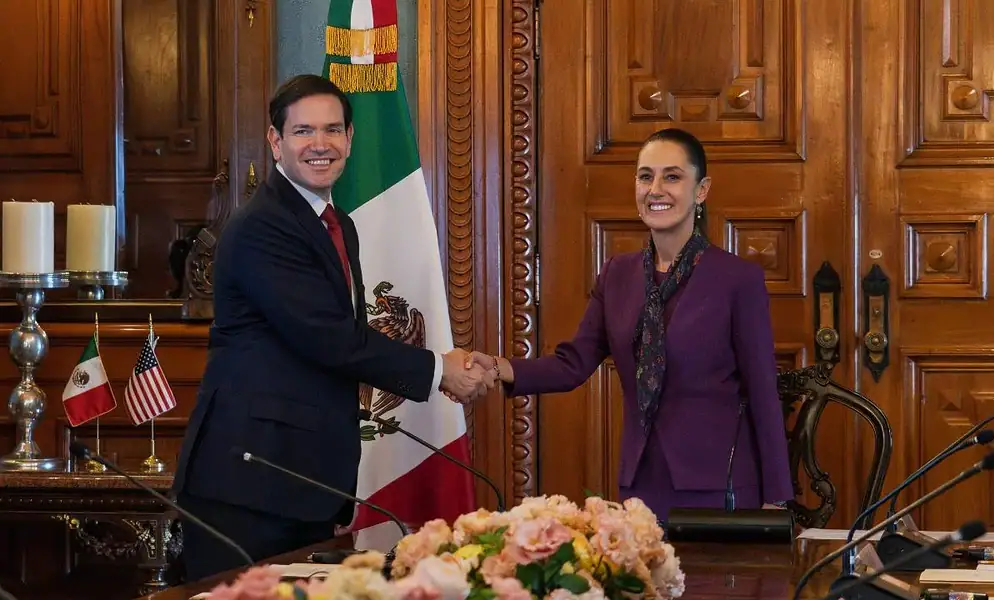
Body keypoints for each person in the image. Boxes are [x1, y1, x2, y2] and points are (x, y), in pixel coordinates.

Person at [172, 74, 495, 581]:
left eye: (332, 130)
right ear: (276, 141)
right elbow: (328, 337)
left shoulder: (337, 222)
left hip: (306, 481)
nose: (320, 144)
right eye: (303, 132)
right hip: (249, 483)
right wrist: (439, 371)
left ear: (350, 139)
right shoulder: (264, 226)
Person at [464, 128, 794, 522]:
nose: (656, 189)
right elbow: (573, 363)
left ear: (701, 190)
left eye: (672, 176)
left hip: (718, 484)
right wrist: (498, 368)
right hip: (641, 482)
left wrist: (777, 497)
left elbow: (762, 391)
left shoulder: (737, 279)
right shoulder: (617, 275)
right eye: (645, 176)